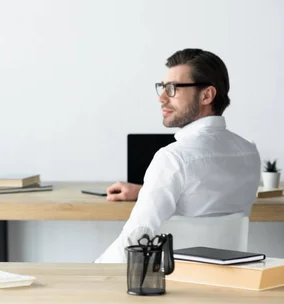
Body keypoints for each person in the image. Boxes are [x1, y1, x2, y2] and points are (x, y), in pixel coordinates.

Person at [96, 49, 260, 263]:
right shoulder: (249, 153)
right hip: (229, 286)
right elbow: (202, 201)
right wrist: (147, 191)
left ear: (206, 95)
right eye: (163, 87)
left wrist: (93, 270)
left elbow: (135, 240)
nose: (161, 98)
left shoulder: (172, 159)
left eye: (172, 89)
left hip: (172, 287)